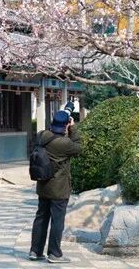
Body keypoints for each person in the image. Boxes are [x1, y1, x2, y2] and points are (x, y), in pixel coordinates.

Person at [29, 109, 82, 264]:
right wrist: (73, 128)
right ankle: (54, 254)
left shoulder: (41, 135)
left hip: (43, 185)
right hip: (59, 188)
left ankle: (35, 251)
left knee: (41, 218)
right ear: (66, 125)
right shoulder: (64, 143)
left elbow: (51, 133)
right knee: (57, 221)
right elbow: (78, 147)